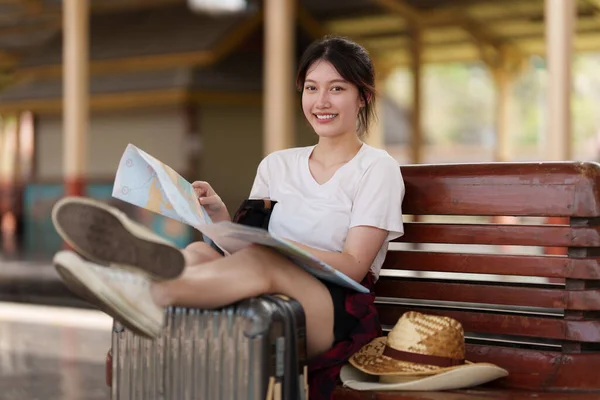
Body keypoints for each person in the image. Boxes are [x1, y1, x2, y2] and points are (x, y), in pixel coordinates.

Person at [51, 35, 405, 397]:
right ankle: (143, 286)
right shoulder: (277, 165)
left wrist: (282, 249)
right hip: (269, 293)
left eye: (337, 88)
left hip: (332, 310)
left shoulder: (377, 169)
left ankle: (147, 292)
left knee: (261, 261)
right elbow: (243, 244)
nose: (321, 101)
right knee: (200, 253)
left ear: (363, 96)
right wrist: (217, 218)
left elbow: (353, 267)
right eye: (311, 88)